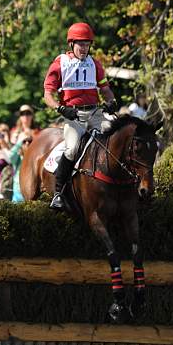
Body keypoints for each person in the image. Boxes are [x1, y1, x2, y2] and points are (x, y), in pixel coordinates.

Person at [43, 22, 118, 209]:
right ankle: (58, 193)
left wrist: (111, 102)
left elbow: (105, 89)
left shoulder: (95, 64)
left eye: (87, 44)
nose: (84, 49)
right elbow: (47, 95)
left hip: (95, 112)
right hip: (73, 115)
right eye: (80, 44)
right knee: (72, 148)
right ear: (71, 44)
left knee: (116, 137)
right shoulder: (60, 63)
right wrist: (60, 109)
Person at [9, 135, 32, 202]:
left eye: (30, 141)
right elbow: (10, 157)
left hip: (29, 194)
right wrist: (19, 143)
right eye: (24, 142)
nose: (27, 143)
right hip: (17, 194)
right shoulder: (18, 158)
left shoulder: (35, 159)